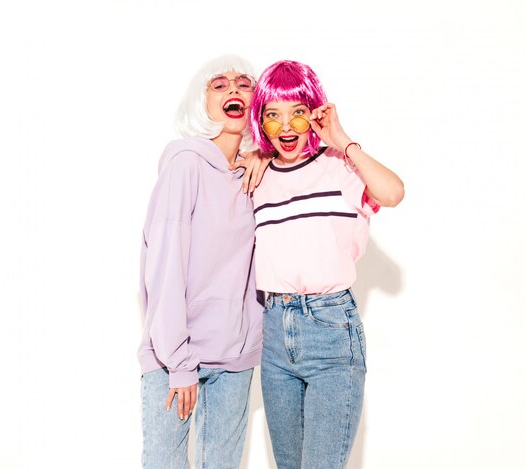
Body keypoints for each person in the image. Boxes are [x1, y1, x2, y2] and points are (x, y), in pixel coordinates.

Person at [249, 60, 405, 468]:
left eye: (297, 113)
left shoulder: (340, 168)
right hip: (274, 335)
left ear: (314, 114)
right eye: (273, 115)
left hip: (331, 330)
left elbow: (392, 192)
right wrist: (251, 155)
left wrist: (342, 139)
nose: (285, 127)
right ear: (260, 121)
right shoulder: (257, 179)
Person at [137, 54, 268, 469]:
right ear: (203, 103)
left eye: (244, 83)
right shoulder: (185, 165)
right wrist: (177, 361)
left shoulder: (256, 174)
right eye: (219, 84)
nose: (233, 88)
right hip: (174, 353)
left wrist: (262, 156)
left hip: (235, 357)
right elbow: (164, 266)